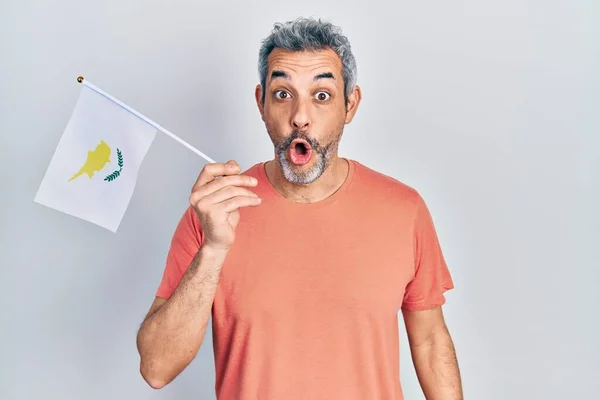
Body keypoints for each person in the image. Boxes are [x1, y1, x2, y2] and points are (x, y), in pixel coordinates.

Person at [136, 17, 463, 400]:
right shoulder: (213, 213)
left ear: (350, 104)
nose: (300, 117)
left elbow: (428, 340)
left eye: (321, 95)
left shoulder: (405, 210)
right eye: (282, 94)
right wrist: (213, 249)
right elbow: (156, 369)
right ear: (260, 103)